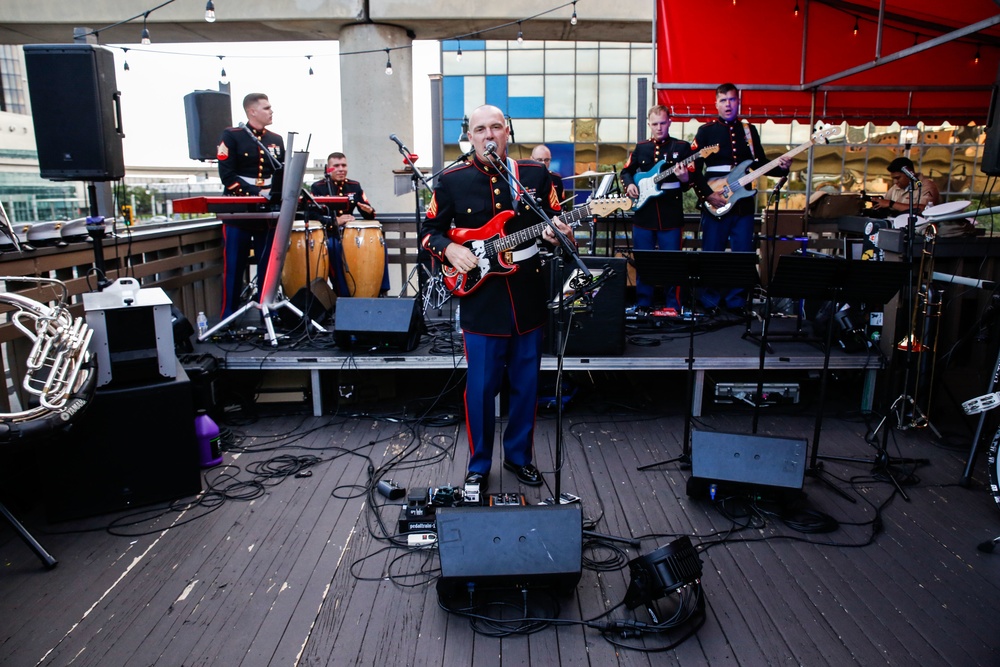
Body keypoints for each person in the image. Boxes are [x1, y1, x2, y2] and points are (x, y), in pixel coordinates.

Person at [421, 104, 574, 492]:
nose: (489, 135)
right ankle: (478, 464)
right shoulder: (452, 180)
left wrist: (559, 234)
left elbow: (560, 222)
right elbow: (428, 233)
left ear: (508, 131)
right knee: (481, 388)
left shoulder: (536, 175)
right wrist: (449, 251)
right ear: (469, 136)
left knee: (526, 385)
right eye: (480, 129)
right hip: (481, 297)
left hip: (527, 293)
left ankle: (519, 457)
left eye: (496, 127)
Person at [691, 83, 791, 312]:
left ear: (739, 102)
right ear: (716, 104)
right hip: (716, 199)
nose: (728, 104)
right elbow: (694, 170)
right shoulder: (705, 132)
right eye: (723, 100)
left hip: (743, 203)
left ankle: (736, 301)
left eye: (732, 100)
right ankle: (710, 300)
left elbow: (760, 164)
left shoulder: (749, 130)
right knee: (712, 253)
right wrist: (708, 195)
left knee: (743, 253)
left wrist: (782, 168)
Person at [216, 93, 285, 318]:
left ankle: (266, 313)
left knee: (268, 268)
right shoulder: (232, 136)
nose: (271, 111)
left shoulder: (275, 139)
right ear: (252, 111)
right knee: (234, 267)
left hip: (266, 216)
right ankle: (228, 316)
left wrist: (274, 193)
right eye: (266, 108)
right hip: (240, 212)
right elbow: (228, 177)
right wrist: (258, 193)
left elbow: (280, 173)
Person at [620, 105, 691, 313]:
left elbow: (689, 181)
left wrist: (685, 178)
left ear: (669, 122)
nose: (659, 128)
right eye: (655, 124)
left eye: (662, 123)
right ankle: (643, 303)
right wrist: (630, 185)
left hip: (670, 214)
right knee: (643, 262)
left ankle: (673, 305)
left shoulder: (682, 147)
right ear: (649, 125)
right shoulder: (641, 147)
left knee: (672, 263)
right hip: (644, 214)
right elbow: (626, 171)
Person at [309, 152, 389, 296]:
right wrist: (334, 221)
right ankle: (342, 293)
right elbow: (312, 215)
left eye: (344, 165)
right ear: (328, 168)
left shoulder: (354, 186)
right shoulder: (318, 187)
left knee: (379, 243)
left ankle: (380, 289)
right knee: (334, 248)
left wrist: (368, 210)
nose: (341, 169)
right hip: (329, 235)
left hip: (350, 235)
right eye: (336, 166)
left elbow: (367, 211)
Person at [873, 157, 941, 215]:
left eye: (898, 178)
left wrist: (891, 204)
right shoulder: (895, 188)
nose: (895, 182)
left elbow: (924, 209)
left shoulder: (927, 186)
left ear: (909, 174)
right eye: (893, 179)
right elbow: (885, 203)